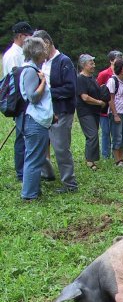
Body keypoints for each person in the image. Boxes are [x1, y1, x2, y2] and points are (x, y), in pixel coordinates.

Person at [33, 30, 78, 194]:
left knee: (60, 147)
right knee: (41, 145)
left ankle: (70, 183)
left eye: (39, 46)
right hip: (44, 112)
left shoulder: (64, 61)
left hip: (62, 111)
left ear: (47, 42)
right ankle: (47, 174)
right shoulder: (41, 63)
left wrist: (46, 91)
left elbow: (70, 88)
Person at [17, 37, 53, 201]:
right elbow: (32, 96)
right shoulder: (30, 71)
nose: (46, 52)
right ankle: (29, 195)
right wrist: (44, 82)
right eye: (43, 49)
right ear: (37, 52)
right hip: (34, 121)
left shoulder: (30, 69)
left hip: (36, 120)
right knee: (33, 159)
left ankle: (33, 190)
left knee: (35, 157)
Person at [3, 21, 33, 183]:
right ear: (21, 36)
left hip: (27, 103)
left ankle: (26, 169)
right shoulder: (13, 55)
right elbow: (16, 81)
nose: (30, 39)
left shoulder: (21, 52)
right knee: (21, 138)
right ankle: (21, 172)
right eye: (28, 36)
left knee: (25, 137)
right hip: (20, 102)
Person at [75, 54, 106, 171]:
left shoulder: (92, 78)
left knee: (94, 135)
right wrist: (99, 102)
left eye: (93, 63)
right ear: (84, 65)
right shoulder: (80, 79)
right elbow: (85, 97)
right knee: (92, 135)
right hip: (85, 111)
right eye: (91, 63)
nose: (94, 65)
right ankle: (89, 161)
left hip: (95, 111)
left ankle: (92, 159)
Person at [97, 50, 123, 159]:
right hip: (105, 110)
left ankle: (115, 154)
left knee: (117, 133)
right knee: (106, 132)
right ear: (111, 61)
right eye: (118, 60)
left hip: (117, 109)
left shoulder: (122, 74)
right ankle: (105, 155)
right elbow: (98, 89)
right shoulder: (104, 74)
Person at [107, 58, 123, 167]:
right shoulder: (113, 81)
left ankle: (121, 159)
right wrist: (115, 114)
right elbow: (110, 98)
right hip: (117, 113)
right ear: (119, 69)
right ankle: (117, 160)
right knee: (117, 137)